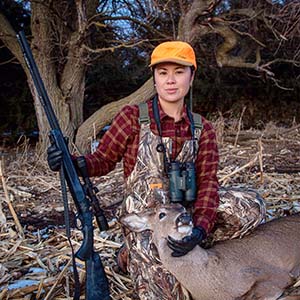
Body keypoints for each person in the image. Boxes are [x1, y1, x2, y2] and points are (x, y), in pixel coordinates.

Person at [47, 41, 265, 299]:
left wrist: (200, 230)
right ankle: (131, 253)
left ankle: (191, 242)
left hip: (185, 211)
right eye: (163, 73)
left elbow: (207, 182)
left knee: (252, 207)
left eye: (179, 72)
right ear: (154, 79)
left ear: (191, 77)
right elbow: (102, 160)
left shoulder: (202, 128)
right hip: (148, 218)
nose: (170, 80)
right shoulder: (131, 117)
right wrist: (71, 163)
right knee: (163, 294)